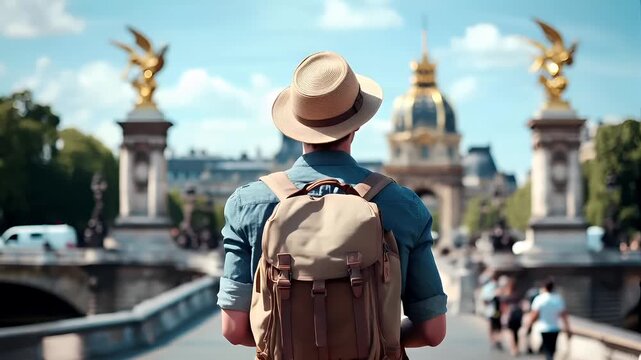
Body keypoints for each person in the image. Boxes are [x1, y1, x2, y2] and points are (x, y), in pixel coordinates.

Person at [217, 51, 447, 354]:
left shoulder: (249, 203)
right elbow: (432, 331)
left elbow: (234, 329)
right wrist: (378, 337)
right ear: (357, 125)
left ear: (295, 125)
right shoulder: (402, 205)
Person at [526, 279, 571, 360]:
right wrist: (568, 329)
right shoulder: (558, 299)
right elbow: (564, 316)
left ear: (544, 287)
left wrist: (529, 324)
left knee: (547, 350)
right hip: (555, 328)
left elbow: (534, 314)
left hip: (544, 328)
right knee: (552, 350)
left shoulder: (539, 299)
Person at [480, 273, 502, 349]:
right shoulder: (488, 288)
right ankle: (493, 340)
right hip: (492, 310)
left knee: (497, 326)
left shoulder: (499, 287)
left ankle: (497, 340)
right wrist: (493, 297)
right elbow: (484, 300)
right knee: (492, 325)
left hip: (498, 311)